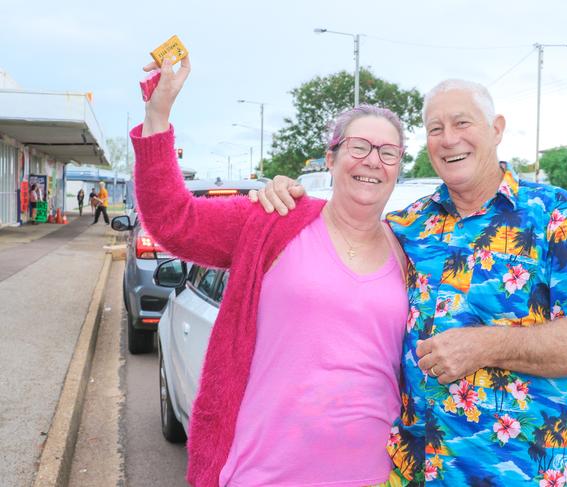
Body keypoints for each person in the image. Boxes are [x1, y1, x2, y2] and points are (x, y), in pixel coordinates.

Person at [253, 79, 567, 486]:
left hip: (523, 475)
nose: (448, 139)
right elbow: (339, 241)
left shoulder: (556, 216)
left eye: (462, 123)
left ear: (496, 129)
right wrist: (288, 198)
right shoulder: (408, 227)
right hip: (413, 476)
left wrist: (485, 345)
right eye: (434, 129)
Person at [132, 55, 411, 487]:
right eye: (358, 147)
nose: (373, 161)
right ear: (331, 158)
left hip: (374, 476)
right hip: (265, 473)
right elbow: (173, 221)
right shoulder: (276, 218)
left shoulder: (409, 251)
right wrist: (158, 116)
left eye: (388, 152)